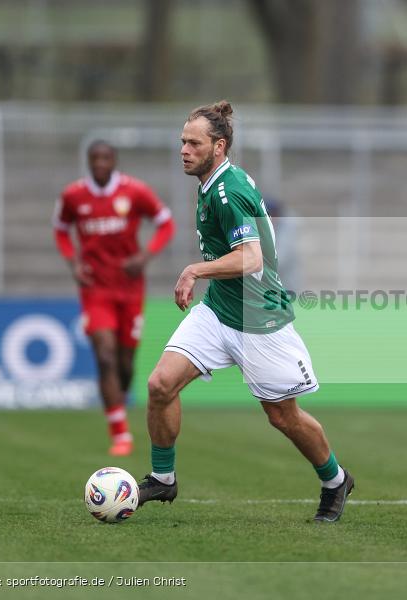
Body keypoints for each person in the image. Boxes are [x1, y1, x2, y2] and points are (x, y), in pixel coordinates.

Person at [136, 101, 355, 522]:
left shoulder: (227, 190)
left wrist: (194, 269)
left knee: (282, 416)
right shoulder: (213, 181)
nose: (183, 149)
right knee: (161, 384)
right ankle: (163, 479)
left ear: (218, 147)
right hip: (220, 310)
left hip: (259, 320)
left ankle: (335, 479)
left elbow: (251, 258)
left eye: (193, 143)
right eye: (182, 141)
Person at [53, 141, 175, 456]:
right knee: (104, 355)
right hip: (95, 289)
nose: (100, 164)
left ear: (114, 161)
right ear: (88, 161)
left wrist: (145, 256)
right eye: (95, 158)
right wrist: (73, 263)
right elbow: (61, 229)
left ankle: (118, 398)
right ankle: (120, 432)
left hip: (131, 288)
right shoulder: (73, 195)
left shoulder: (135, 192)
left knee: (124, 363)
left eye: (106, 158)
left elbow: (166, 223)